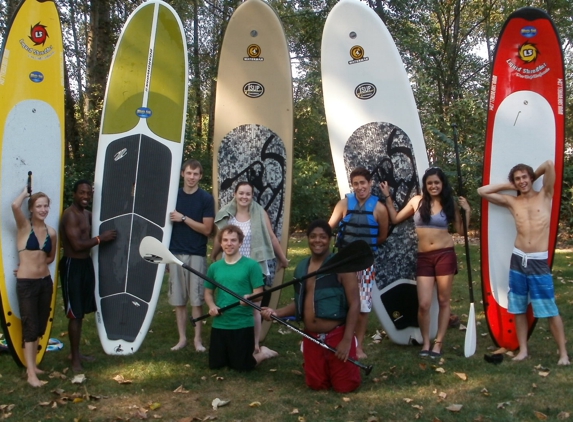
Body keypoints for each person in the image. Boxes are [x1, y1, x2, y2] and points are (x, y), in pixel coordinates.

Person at [477, 160, 569, 365]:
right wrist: (509, 186)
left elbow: (548, 165)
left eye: (524, 177)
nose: (522, 181)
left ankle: (563, 354)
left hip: (537, 261)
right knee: (517, 306)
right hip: (518, 259)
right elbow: (482, 191)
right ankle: (523, 350)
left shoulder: (545, 195)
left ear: (531, 178)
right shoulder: (513, 202)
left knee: (550, 308)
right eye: (518, 179)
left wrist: (533, 175)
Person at [261, 220, 361, 392]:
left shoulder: (342, 266)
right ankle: (318, 363)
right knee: (316, 385)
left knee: (345, 387)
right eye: (313, 236)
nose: (317, 240)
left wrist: (346, 340)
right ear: (307, 238)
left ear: (330, 239)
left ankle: (340, 362)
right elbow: (300, 303)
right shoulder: (301, 268)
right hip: (311, 336)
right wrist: (276, 312)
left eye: (323, 237)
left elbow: (355, 304)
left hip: (337, 334)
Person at [380, 167, 470, 358]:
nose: (433, 186)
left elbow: (462, 232)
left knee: (444, 300)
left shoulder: (449, 203)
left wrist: (467, 211)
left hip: (445, 255)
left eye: (437, 182)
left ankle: (438, 344)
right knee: (424, 304)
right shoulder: (417, 201)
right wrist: (388, 197)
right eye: (430, 183)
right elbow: (395, 218)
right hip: (424, 258)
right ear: (425, 185)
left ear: (442, 183)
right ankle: (425, 343)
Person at [211, 181, 288, 352]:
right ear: (235, 194)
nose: (244, 197)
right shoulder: (227, 214)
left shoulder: (259, 213)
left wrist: (282, 259)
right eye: (241, 193)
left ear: (252, 196)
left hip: (253, 266)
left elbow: (272, 237)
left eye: (248, 194)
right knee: (229, 302)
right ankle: (231, 338)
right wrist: (213, 254)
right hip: (230, 265)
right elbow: (220, 238)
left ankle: (255, 343)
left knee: (254, 307)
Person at [328, 167, 388, 359]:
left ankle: (359, 345)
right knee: (342, 302)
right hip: (343, 261)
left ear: (369, 183)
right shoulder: (344, 204)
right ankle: (337, 338)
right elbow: (329, 227)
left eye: (363, 182)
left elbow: (382, 236)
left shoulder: (379, 209)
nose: (360, 187)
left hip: (365, 264)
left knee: (363, 305)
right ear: (352, 185)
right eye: (356, 183)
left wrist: (362, 250)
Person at [60, 180, 116, 372]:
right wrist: (101, 239)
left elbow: (106, 220)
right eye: (81, 193)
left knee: (81, 312)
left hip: (85, 264)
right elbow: (77, 244)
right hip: (72, 266)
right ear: (74, 194)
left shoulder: (87, 214)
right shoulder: (70, 216)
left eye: (88, 194)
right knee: (74, 314)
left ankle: (75, 353)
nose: (85, 197)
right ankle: (75, 359)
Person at [204, 225, 277, 371]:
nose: (229, 244)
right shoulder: (215, 268)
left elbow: (259, 294)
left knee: (243, 366)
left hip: (242, 324)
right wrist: (212, 306)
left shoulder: (251, 266)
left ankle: (263, 353)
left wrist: (250, 298)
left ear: (240, 243)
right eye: (225, 240)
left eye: (233, 240)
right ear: (221, 242)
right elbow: (208, 293)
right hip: (220, 323)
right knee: (216, 365)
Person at [12, 187, 57, 387]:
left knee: (39, 325)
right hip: (27, 284)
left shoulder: (52, 232)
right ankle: (31, 374)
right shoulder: (24, 227)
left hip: (45, 282)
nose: (43, 209)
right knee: (29, 327)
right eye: (39, 206)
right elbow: (14, 205)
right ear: (31, 209)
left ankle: (35, 366)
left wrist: (37, 264)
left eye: (46, 206)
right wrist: (25, 192)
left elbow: (50, 257)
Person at [168, 159, 215, 352]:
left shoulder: (205, 198)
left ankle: (197, 340)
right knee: (179, 300)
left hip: (196, 253)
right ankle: (182, 339)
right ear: (182, 174)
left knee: (197, 299)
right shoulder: (173, 196)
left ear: (200, 176)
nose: (192, 177)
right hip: (175, 253)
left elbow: (207, 229)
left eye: (196, 174)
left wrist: (184, 218)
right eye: (189, 173)